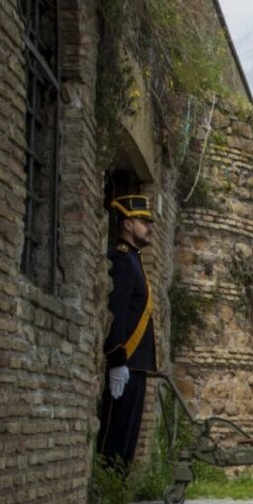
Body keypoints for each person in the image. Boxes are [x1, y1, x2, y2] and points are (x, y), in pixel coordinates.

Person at [97, 194, 157, 473]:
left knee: (128, 443)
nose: (149, 227)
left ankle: (117, 499)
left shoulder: (134, 259)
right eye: (143, 221)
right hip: (126, 363)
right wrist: (117, 359)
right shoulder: (122, 259)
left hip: (136, 365)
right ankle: (107, 498)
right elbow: (116, 312)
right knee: (115, 438)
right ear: (128, 225)